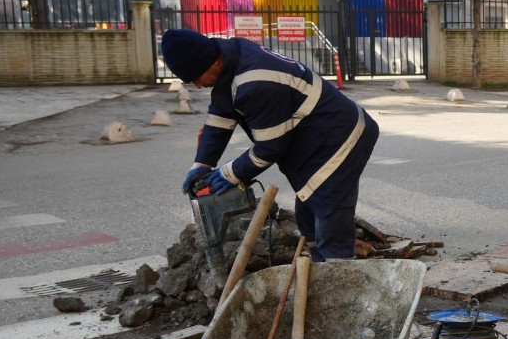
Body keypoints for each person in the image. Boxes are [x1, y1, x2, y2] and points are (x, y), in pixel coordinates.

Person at [161, 28, 379, 262]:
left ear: (211, 61)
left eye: (196, 77)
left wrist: (230, 173)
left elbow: (269, 149)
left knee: (329, 205)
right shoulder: (231, 55)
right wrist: (202, 162)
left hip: (340, 135)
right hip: (315, 136)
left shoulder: (256, 82)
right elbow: (220, 116)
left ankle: (338, 272)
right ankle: (315, 262)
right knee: (309, 202)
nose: (197, 85)